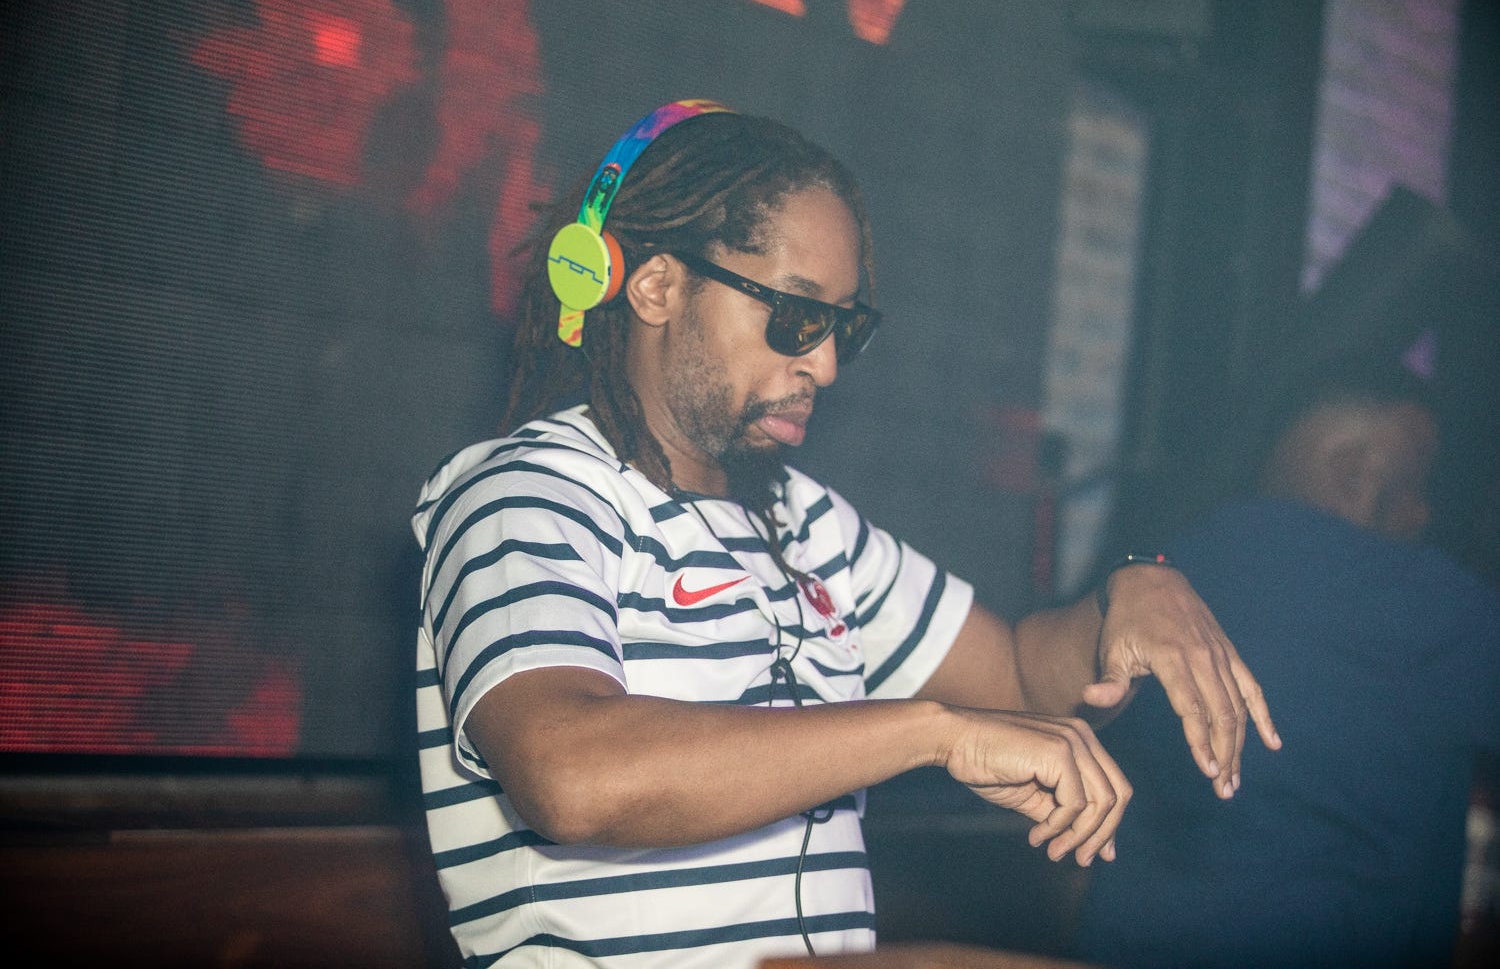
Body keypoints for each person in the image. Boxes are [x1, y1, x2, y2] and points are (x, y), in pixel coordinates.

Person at [412, 100, 1278, 968]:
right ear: (657, 286)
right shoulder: (524, 494)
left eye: (844, 326)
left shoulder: (807, 522)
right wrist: (929, 733)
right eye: (797, 315)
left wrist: (1131, 594)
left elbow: (1020, 684)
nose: (823, 364)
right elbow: (572, 776)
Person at [1071, 364, 1500, 969]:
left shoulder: (1168, 572)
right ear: (1350, 469)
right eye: (1411, 486)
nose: (1422, 514)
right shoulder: (1428, 603)